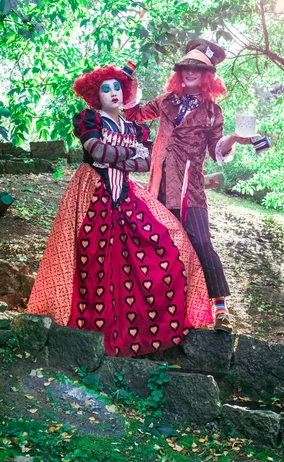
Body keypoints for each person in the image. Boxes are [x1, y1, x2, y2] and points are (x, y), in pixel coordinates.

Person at [28, 63, 212, 357]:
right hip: (92, 194)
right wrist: (125, 155)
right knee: (93, 259)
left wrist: (117, 156)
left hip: (126, 196)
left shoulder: (134, 128)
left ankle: (138, 334)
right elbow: (97, 151)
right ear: (95, 95)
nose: (113, 92)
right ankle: (87, 339)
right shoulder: (88, 119)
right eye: (106, 88)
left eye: (117, 88)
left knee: (164, 242)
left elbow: (144, 162)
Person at [124, 39, 251, 333]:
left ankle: (220, 309)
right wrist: (126, 82)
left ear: (207, 75)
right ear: (179, 73)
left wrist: (233, 138)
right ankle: (158, 306)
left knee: (202, 242)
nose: (190, 72)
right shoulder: (166, 100)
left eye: (196, 68)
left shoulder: (211, 111)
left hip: (189, 188)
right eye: (185, 68)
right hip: (158, 184)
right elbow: (135, 114)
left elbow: (216, 150)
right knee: (158, 241)